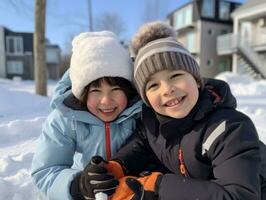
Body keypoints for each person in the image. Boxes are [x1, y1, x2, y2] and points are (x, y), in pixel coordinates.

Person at [94, 21, 266, 200]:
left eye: (175, 75)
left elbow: (238, 195)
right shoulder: (153, 122)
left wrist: (159, 187)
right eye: (153, 85)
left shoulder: (229, 128)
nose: (167, 89)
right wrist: (116, 166)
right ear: (146, 99)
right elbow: (139, 145)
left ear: (197, 80)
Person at [31, 31, 143, 200]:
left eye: (115, 89)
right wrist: (77, 185)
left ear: (128, 90)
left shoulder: (139, 112)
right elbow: (46, 170)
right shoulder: (66, 117)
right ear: (81, 94)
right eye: (95, 91)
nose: (106, 101)